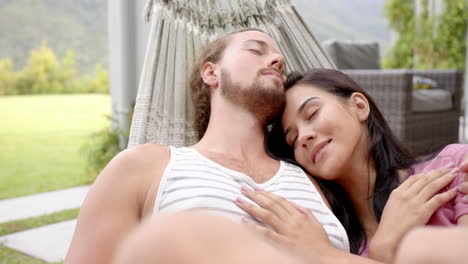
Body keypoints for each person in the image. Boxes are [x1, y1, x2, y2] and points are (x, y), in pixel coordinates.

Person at [65, 29, 354, 264]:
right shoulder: (143, 168)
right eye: (256, 50)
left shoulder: (311, 175)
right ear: (211, 73)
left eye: (280, 60)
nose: (277, 60)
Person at [236, 69, 468, 263]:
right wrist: (381, 248)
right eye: (293, 140)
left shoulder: (453, 168)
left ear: (359, 106)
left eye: (312, 113)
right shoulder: (336, 242)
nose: (304, 136)